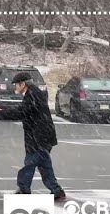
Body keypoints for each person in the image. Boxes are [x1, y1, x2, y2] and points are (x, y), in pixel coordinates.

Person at [8, 72, 66, 201]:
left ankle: (24, 188)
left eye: (16, 85)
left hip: (39, 137)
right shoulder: (33, 93)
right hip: (40, 136)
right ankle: (57, 191)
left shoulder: (33, 95)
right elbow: (25, 111)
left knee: (30, 163)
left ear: (22, 84)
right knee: (44, 166)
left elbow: (22, 112)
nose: (15, 88)